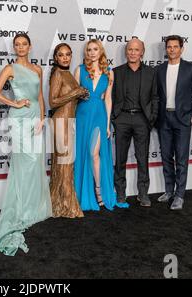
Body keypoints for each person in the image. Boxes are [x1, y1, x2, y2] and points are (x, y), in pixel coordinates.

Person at [0, 33, 52, 256]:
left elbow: (40, 96)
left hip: (35, 119)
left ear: (30, 46)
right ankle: (21, 209)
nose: (20, 47)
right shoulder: (10, 69)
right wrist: (13, 103)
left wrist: (43, 118)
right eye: (17, 44)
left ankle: (33, 206)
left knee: (34, 163)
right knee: (21, 165)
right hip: (19, 119)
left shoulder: (37, 69)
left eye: (24, 44)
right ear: (14, 47)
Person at [74, 39, 128, 211]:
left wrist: (107, 125)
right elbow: (74, 97)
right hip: (83, 115)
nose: (92, 52)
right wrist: (73, 121)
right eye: (89, 49)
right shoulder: (80, 70)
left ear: (101, 51)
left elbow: (109, 99)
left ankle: (99, 191)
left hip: (99, 115)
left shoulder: (109, 73)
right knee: (84, 154)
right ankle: (86, 194)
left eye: (95, 49)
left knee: (94, 153)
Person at [156, 35, 192, 210]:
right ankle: (169, 190)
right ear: (166, 49)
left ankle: (179, 195)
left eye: (175, 46)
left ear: (182, 48)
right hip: (164, 119)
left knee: (181, 159)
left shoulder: (191, 68)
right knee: (166, 157)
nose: (172, 49)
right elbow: (156, 96)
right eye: (169, 47)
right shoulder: (159, 70)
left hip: (182, 119)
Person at [112, 38, 158, 207]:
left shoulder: (151, 73)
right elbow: (111, 97)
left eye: (136, 49)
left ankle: (143, 193)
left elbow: (155, 97)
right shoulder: (116, 72)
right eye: (130, 49)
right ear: (126, 52)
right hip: (122, 119)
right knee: (120, 158)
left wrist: (151, 118)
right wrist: (114, 118)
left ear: (142, 52)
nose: (132, 52)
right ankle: (121, 193)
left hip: (142, 119)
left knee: (142, 158)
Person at [49, 43, 88, 218]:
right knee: (64, 165)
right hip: (60, 123)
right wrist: (75, 92)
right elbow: (53, 102)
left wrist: (80, 95)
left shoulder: (68, 73)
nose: (65, 58)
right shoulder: (58, 73)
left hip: (69, 122)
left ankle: (59, 204)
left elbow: (70, 99)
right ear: (55, 58)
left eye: (68, 55)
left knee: (65, 165)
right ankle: (67, 206)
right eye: (61, 55)